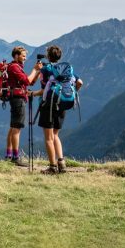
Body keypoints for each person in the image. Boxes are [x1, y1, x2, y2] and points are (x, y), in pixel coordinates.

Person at [34, 45, 83, 174]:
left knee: (48, 137)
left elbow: (44, 89)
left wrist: (32, 93)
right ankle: (61, 163)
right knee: (55, 134)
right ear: (59, 56)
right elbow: (80, 82)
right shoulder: (66, 69)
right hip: (62, 104)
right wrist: (72, 92)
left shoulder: (46, 69)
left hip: (48, 106)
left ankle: (52, 167)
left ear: (48, 56)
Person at [5, 46, 41, 166]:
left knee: (12, 126)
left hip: (16, 98)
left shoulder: (17, 67)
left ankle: (9, 154)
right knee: (17, 128)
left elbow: (30, 82)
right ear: (16, 55)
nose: (25, 58)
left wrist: (37, 73)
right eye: (23, 55)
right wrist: (35, 70)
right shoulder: (14, 67)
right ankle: (16, 157)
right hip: (18, 99)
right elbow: (26, 81)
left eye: (25, 56)